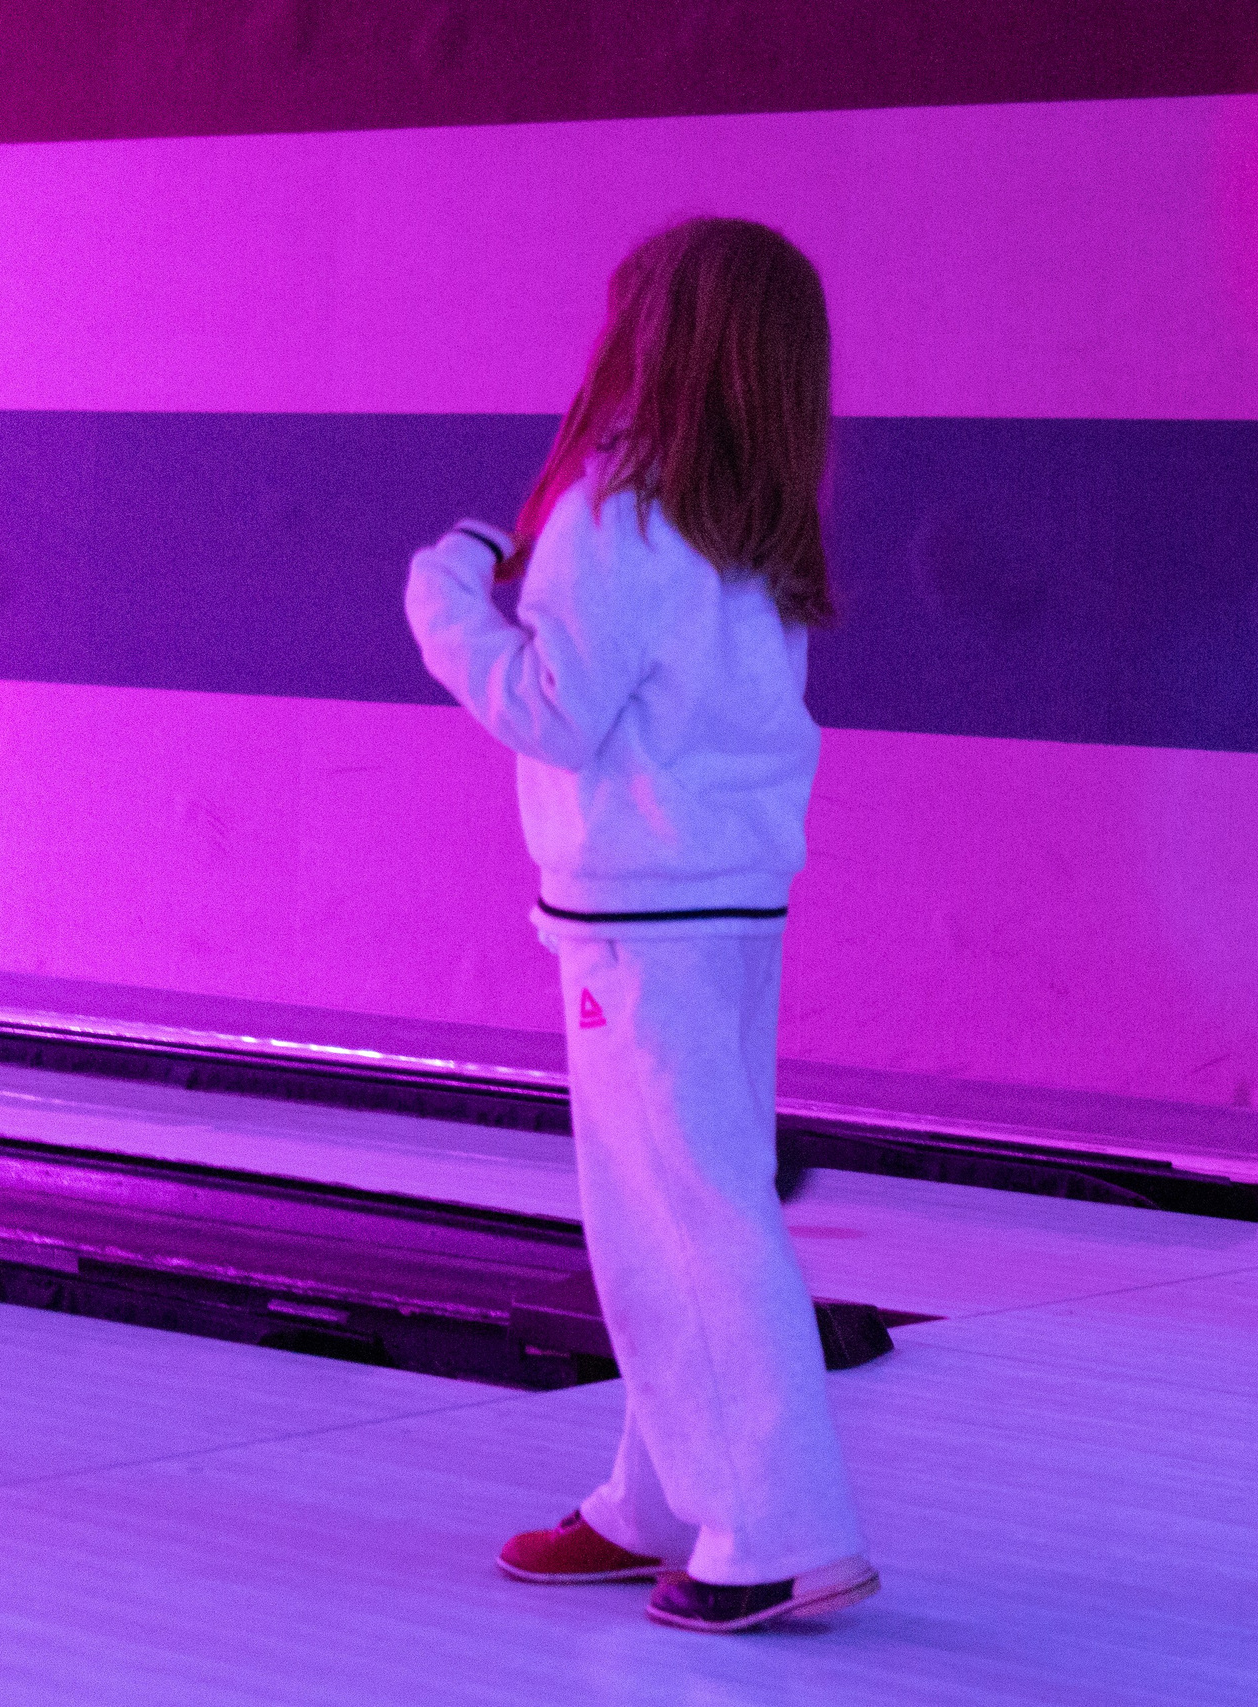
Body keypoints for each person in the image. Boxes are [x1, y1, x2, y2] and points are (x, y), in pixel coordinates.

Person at [404, 217, 875, 1631]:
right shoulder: (755, 530)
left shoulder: (623, 509)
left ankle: (783, 1528)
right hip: (726, 907)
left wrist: (446, 591)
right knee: (660, 1210)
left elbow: (546, 706)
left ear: (656, 341)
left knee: (686, 1215)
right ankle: (663, 1493)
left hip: (640, 923)